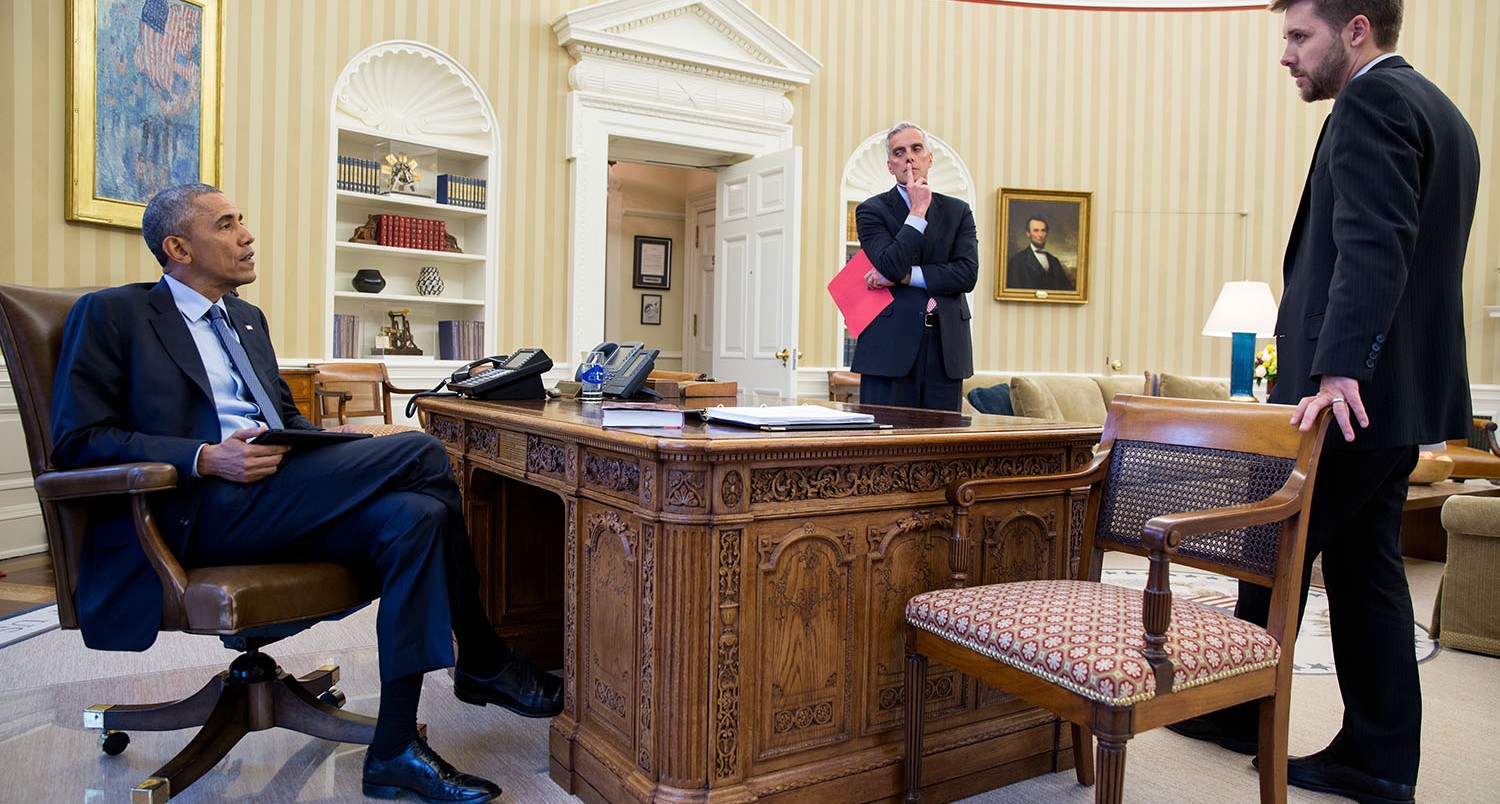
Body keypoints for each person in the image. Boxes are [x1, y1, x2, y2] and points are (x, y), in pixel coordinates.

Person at [51, 183, 564, 803]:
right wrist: (205, 458)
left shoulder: (246, 317)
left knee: (418, 516)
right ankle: (482, 656)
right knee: (424, 450)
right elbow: (78, 441)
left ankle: (395, 749)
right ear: (178, 247)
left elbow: (286, 421)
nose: (247, 234)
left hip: (275, 492)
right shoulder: (113, 314)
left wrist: (336, 445)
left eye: (243, 219)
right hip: (188, 511)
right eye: (227, 224)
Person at [1167, 3, 1479, 803]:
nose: (1286, 56)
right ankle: (1376, 758)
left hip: (1346, 397)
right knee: (1366, 567)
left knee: (1266, 547)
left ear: (1357, 29)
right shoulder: (1444, 111)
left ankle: (1240, 712)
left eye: (1298, 36)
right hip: (1396, 398)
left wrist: (1338, 370)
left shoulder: (1371, 101)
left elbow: (1375, 239)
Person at [850, 121, 978, 411]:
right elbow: (891, 264)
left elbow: (967, 274)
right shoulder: (871, 211)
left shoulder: (959, 212)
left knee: (940, 449)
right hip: (888, 349)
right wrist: (918, 212)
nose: (908, 157)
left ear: (929, 159)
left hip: (945, 350)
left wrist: (909, 276)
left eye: (916, 149)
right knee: (885, 449)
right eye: (899, 152)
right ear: (890, 166)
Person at [1005, 216, 1074, 291]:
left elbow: (1067, 290)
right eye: (1036, 231)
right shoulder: (1017, 261)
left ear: (1046, 233)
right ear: (1028, 234)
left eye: (1043, 230)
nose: (1040, 235)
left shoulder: (1054, 262)